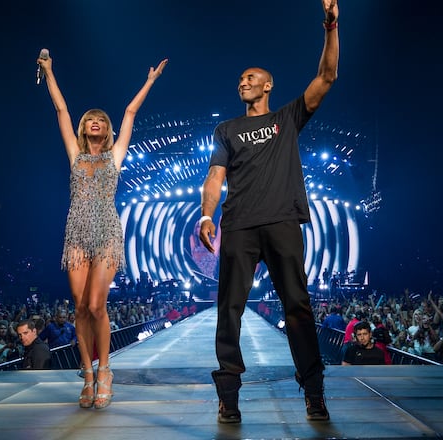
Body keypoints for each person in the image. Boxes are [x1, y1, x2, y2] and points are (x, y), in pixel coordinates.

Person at [198, 0, 339, 423]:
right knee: (230, 310)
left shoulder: (287, 118)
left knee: (297, 305)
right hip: (239, 225)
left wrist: (331, 24)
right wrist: (207, 214)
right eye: (241, 78)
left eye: (251, 78)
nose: (242, 82)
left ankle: (313, 392)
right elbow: (215, 176)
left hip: (282, 221)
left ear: (267, 86)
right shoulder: (226, 130)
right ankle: (229, 396)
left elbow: (327, 76)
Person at [37, 51, 167, 410]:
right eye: (90, 119)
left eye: (100, 119)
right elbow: (62, 110)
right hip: (76, 231)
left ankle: (106, 369)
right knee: (79, 307)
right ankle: (88, 373)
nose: (95, 121)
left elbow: (129, 113)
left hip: (107, 230)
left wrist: (150, 81)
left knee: (97, 305)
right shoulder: (75, 155)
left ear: (107, 129)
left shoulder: (116, 156)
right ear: (84, 127)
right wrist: (49, 70)